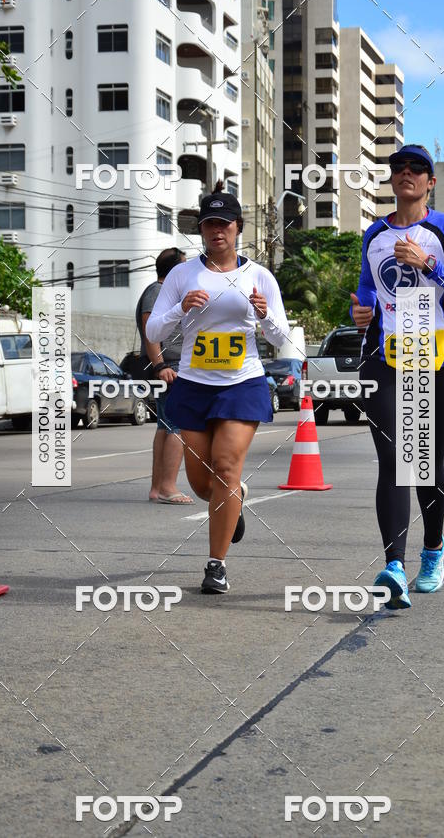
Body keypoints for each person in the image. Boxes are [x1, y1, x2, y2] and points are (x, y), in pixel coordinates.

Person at [350, 144, 444, 609]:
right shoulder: (374, 234)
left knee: (424, 465)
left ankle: (433, 548)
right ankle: (394, 567)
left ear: (430, 182)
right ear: (391, 180)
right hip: (384, 359)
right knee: (394, 458)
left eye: (418, 169)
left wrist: (430, 264)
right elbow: (367, 291)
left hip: (436, 360)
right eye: (399, 168)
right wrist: (360, 310)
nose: (406, 173)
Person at [146, 181, 290, 593]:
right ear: (202, 230)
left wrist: (263, 317)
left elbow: (280, 339)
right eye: (209, 224)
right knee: (202, 483)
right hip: (193, 383)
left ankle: (216, 565)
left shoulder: (259, 276)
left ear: (238, 228)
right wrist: (179, 307)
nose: (216, 231)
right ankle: (235, 498)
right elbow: (154, 329)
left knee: (226, 467)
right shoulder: (181, 274)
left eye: (224, 223)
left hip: (242, 382)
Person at [137, 247, 194, 504]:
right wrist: (160, 366)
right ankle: (168, 487)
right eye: (182, 267)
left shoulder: (161, 292)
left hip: (169, 366)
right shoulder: (157, 292)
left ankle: (157, 487)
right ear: (173, 270)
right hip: (168, 366)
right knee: (176, 426)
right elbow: (151, 331)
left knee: (165, 426)